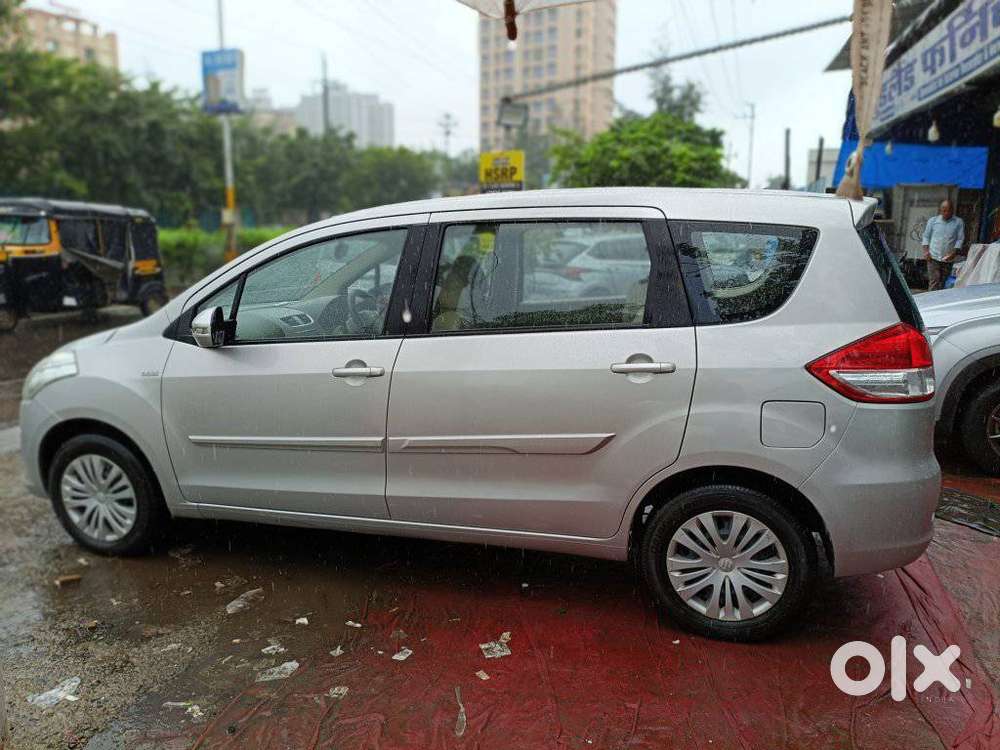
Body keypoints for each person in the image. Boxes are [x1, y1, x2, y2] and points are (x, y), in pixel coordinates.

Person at [922, 199, 965, 291]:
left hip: (948, 258)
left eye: (948, 210)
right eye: (944, 210)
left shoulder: (958, 222)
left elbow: (960, 239)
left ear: (952, 210)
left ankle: (939, 302)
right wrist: (926, 252)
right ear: (940, 210)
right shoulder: (932, 221)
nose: (946, 212)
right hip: (933, 257)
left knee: (943, 282)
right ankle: (931, 303)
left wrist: (954, 252)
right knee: (934, 281)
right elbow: (926, 237)